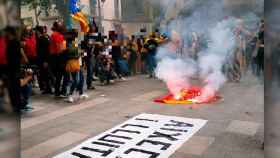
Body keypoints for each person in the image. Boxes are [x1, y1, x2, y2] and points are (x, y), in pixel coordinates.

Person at [5, 26, 22, 112]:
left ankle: (17, 104)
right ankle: (17, 104)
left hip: (13, 68)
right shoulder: (13, 42)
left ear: (9, 33)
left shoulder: (13, 42)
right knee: (13, 87)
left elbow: (15, 57)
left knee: (13, 87)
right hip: (13, 68)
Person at [49, 21, 67, 97]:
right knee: (64, 76)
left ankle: (58, 92)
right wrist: (66, 49)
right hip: (58, 57)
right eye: (61, 25)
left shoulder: (58, 35)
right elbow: (59, 48)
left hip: (57, 57)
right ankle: (61, 92)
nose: (62, 26)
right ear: (57, 27)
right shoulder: (56, 35)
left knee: (60, 76)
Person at [36, 26, 53, 94]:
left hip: (44, 61)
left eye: (36, 31)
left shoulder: (43, 39)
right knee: (45, 75)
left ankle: (51, 88)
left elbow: (46, 51)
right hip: (42, 60)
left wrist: (45, 61)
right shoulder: (41, 38)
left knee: (47, 75)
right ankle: (48, 89)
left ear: (38, 31)